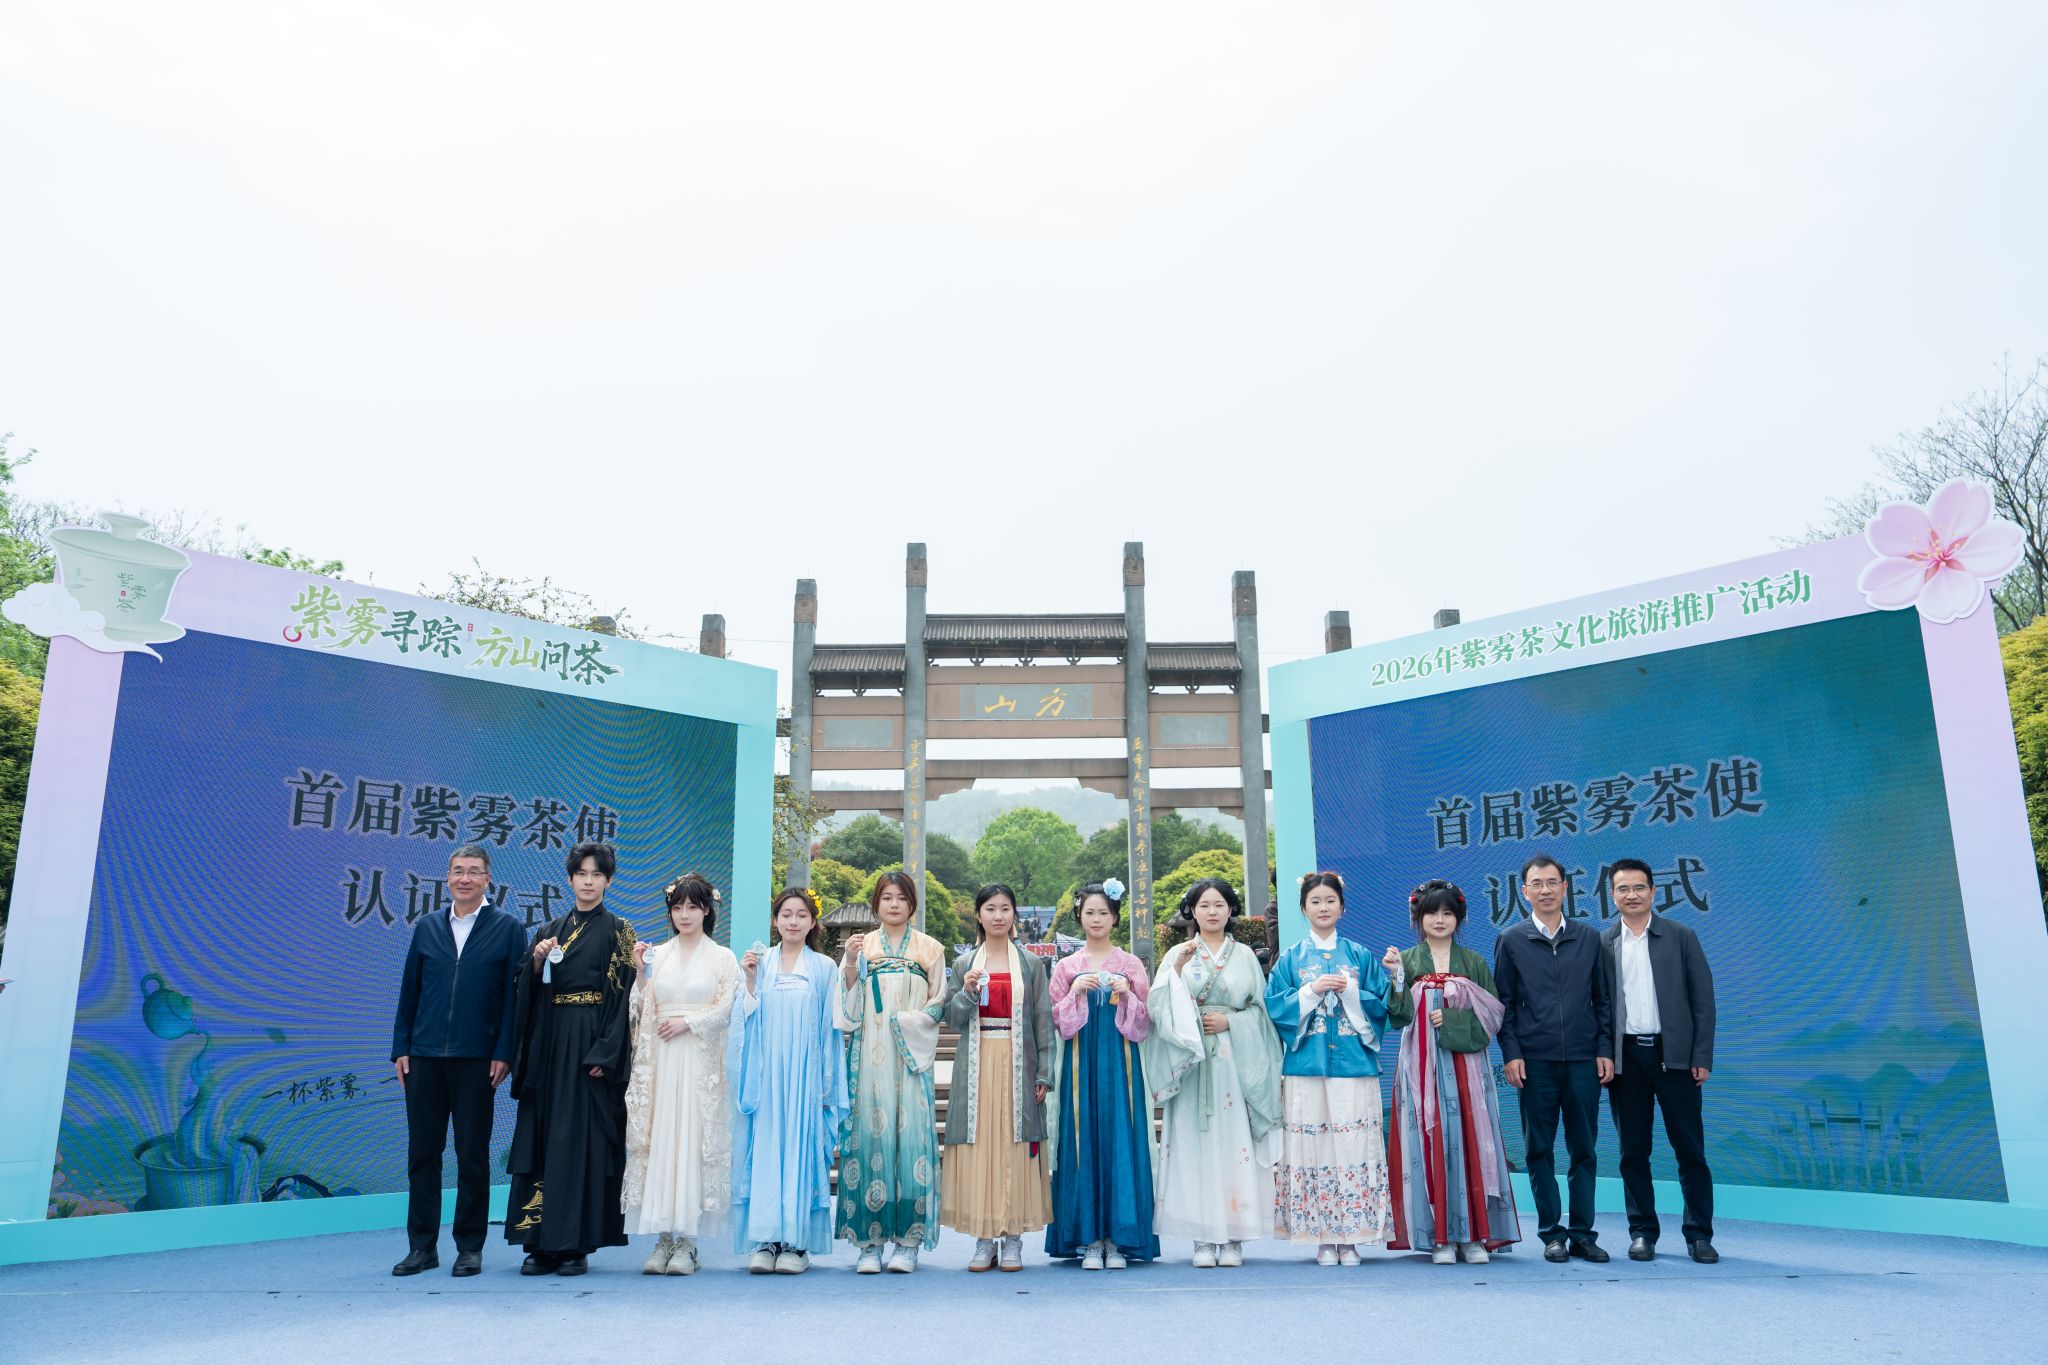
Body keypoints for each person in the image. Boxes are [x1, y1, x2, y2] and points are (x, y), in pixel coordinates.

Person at [389, 844, 525, 1277]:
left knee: (472, 1156)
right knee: (422, 1156)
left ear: (488, 879)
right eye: (458, 871)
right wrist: (402, 1046)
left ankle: (469, 1248)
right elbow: (410, 991)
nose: (465, 878)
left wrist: (503, 1051)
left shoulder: (507, 928)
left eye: (474, 871)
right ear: (447, 878)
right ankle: (421, 1247)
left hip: (477, 1061)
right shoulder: (428, 926)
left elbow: (514, 1000)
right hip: (424, 1058)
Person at [504, 841, 637, 1276]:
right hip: (550, 1038)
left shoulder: (621, 931)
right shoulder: (549, 929)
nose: (588, 881)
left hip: (591, 1041)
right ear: (570, 878)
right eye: (581, 873)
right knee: (543, 1133)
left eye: (597, 874)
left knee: (581, 1138)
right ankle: (539, 1242)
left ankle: (576, 1243)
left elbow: (625, 994)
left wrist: (607, 1052)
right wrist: (537, 961)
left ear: (608, 880)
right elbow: (522, 982)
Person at [1143, 878, 1284, 1269]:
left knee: (1234, 1143)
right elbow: (1157, 1006)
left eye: (1219, 904)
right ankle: (1202, 1236)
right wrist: (1176, 970)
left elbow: (1261, 1012)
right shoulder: (1178, 953)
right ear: (1192, 910)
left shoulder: (1246, 956)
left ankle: (1234, 1235)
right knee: (1194, 1146)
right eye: (1204, 905)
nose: (1211, 911)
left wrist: (1230, 1022)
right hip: (1192, 1062)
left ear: (1230, 909)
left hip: (1234, 1062)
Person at [1383, 879, 1521, 1265]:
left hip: (1466, 1068)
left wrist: (1454, 1020)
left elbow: (1493, 1015)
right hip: (1421, 1067)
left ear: (1459, 917)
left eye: (1447, 912)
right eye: (1431, 913)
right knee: (1429, 1142)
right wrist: (1396, 976)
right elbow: (1397, 1016)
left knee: (1470, 1139)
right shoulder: (1407, 959)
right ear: (1418, 918)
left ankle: (1474, 1235)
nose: (1439, 920)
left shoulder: (1473, 961)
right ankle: (1439, 1237)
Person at [1262, 871, 1393, 1266]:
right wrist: (1310, 991)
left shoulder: (1360, 956)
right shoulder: (1291, 958)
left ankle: (1352, 1236)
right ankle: (1319, 1236)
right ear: (1303, 909)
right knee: (1313, 1147)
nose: (1323, 907)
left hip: (1354, 1064)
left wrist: (1351, 992)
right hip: (1306, 1065)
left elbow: (1381, 1005)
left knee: (1354, 1146)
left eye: (1330, 900)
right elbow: (1275, 1006)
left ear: (1342, 907)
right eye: (1315, 901)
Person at [1494, 852, 1614, 1264]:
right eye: (1536, 884)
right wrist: (1512, 1054)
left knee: (1584, 1151)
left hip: (1583, 1061)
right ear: (1524, 891)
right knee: (1538, 1150)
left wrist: (1604, 1049)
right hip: (1535, 1063)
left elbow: (1603, 1000)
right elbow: (1505, 1005)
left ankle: (1582, 1234)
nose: (1545, 890)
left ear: (1565, 887)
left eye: (1552, 882)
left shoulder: (1589, 938)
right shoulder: (1511, 940)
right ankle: (1552, 1234)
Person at [1600, 857, 1718, 1264]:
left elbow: (1703, 1001)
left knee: (1690, 1149)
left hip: (1676, 1058)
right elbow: (1599, 1006)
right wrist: (1605, 1054)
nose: (1631, 895)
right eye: (1622, 889)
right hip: (1626, 1060)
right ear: (1612, 895)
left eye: (1639, 888)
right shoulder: (1604, 943)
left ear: (1653, 892)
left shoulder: (1681, 936)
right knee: (1633, 1151)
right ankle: (1642, 1233)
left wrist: (1701, 1055)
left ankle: (1699, 1235)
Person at [623, 872, 740, 1275]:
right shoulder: (657, 955)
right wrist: (640, 972)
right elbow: (639, 1008)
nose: (685, 914)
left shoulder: (722, 958)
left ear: (707, 910)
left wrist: (689, 1022)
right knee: (662, 1141)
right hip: (662, 1062)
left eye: (693, 906)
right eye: (677, 907)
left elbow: (727, 1007)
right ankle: (662, 1239)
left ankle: (688, 1243)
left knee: (691, 1141)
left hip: (698, 1062)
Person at [729, 887, 847, 1275]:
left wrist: (825, 1084)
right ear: (775, 921)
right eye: (786, 914)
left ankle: (796, 1243)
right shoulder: (760, 962)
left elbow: (832, 1028)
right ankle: (766, 1240)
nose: (793, 922)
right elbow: (744, 1018)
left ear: (813, 923)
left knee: (799, 1147)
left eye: (801, 915)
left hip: (805, 1078)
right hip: (767, 1077)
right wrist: (749, 981)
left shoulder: (825, 968)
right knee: (766, 1148)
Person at [835, 870, 947, 1273]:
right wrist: (850, 961)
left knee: (912, 1140)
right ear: (876, 904)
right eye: (886, 898)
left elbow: (938, 1001)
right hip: (869, 1055)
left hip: (910, 1055)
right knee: (870, 1138)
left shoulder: (930, 948)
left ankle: (908, 1242)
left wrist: (909, 1022)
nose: (894, 904)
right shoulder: (863, 946)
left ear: (911, 903)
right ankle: (869, 1242)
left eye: (901, 897)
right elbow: (848, 999)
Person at [939, 883, 1055, 1271]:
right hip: (978, 1063)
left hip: (1019, 1062)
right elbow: (952, 1019)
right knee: (982, 1144)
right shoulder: (964, 964)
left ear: (1014, 915)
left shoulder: (1030, 964)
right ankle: (984, 1238)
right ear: (979, 915)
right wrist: (968, 991)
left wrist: (1044, 1072)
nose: (998, 915)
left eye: (1005, 908)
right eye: (990, 908)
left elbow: (1042, 1018)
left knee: (1015, 1144)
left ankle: (1014, 1239)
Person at [1045, 878, 1158, 1270]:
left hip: (1121, 1064)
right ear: (1079, 916)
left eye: (1104, 913)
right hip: (1079, 1064)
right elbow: (1056, 1021)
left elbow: (1146, 1021)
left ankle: (1119, 1238)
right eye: (1089, 912)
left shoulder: (1131, 965)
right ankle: (1089, 1239)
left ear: (1115, 917)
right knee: (1081, 1140)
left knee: (1120, 1138)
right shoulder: (1066, 967)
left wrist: (1127, 996)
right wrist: (1074, 992)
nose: (1096, 919)